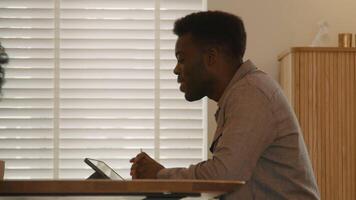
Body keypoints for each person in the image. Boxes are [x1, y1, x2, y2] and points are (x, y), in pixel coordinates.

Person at [130, 11, 320, 199]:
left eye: (181, 59)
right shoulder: (239, 94)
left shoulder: (251, 94)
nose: (176, 70)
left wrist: (160, 175)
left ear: (211, 58)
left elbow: (223, 176)